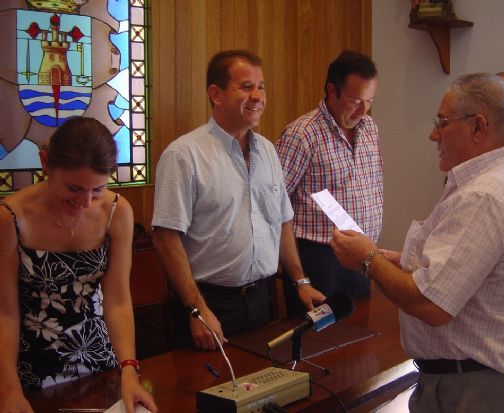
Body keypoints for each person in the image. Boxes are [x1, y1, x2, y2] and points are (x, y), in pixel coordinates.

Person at [331, 73, 504, 412]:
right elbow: (480, 271)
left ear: (479, 127)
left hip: (473, 389)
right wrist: (400, 260)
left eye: (442, 123)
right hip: (490, 381)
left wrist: (368, 259)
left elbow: (432, 306)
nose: (433, 134)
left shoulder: (485, 195)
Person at [152, 50, 325, 352]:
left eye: (262, 86)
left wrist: (300, 281)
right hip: (209, 303)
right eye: (246, 87)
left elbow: (283, 220)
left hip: (261, 301)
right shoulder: (184, 155)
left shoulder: (269, 151)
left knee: (260, 386)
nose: (258, 96)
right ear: (215, 94)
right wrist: (197, 309)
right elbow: (166, 238)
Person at [0, 117, 158, 413]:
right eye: (73, 188)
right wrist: (8, 388)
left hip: (98, 357)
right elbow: (5, 314)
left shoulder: (116, 212)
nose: (85, 202)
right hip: (27, 367)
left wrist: (129, 370)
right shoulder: (9, 218)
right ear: (45, 162)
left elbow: (118, 301)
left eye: (97, 189)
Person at [275, 50, 382, 314]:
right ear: (332, 91)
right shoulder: (302, 134)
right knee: (320, 345)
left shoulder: (370, 128)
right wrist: (299, 277)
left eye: (369, 101)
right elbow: (274, 204)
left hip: (363, 253)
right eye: (355, 100)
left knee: (359, 339)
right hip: (319, 258)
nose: (362, 110)